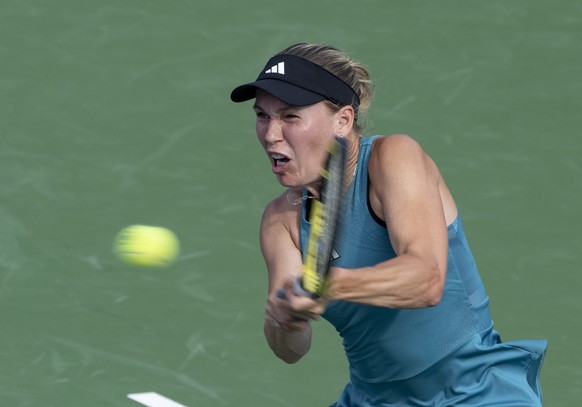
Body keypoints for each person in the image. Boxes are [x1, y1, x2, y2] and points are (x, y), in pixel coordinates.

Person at [230, 43, 547, 406]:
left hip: (473, 392)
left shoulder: (392, 159)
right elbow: (290, 350)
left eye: (290, 117)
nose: (271, 134)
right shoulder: (280, 220)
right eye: (262, 116)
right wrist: (288, 321)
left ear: (343, 121)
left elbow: (426, 281)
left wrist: (327, 286)